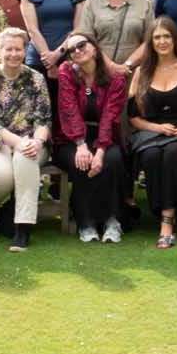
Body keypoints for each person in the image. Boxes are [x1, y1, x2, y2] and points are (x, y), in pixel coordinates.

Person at [128, 16, 177, 248]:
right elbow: (133, 118)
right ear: (150, 42)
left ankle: (168, 220)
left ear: (175, 39)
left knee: (173, 152)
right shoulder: (141, 71)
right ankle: (162, 212)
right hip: (151, 133)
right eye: (157, 37)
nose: (162, 41)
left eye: (166, 36)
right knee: (151, 156)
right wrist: (156, 127)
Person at [0, 27, 51, 252]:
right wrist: (18, 142)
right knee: (2, 177)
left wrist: (36, 142)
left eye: (18, 49)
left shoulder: (36, 78)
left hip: (31, 141)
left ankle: (22, 228)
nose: (14, 54)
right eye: (8, 49)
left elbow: (43, 119)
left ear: (25, 50)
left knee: (25, 159)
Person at [55, 31, 127, 243]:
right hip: (70, 137)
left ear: (94, 47)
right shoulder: (66, 71)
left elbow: (109, 116)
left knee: (112, 160)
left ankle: (112, 220)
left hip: (105, 134)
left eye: (82, 45)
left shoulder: (116, 77)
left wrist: (101, 149)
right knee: (81, 162)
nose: (77, 51)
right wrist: (81, 145)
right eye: (71, 50)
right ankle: (85, 222)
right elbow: (68, 109)